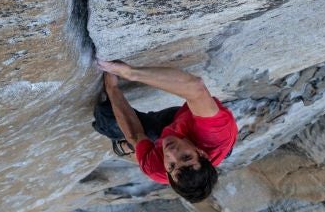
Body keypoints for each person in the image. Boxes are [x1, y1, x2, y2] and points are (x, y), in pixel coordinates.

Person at [92, 60, 237, 203]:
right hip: (185, 122)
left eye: (172, 166)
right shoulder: (214, 134)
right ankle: (133, 147)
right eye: (186, 157)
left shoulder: (157, 169)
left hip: (176, 133)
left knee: (107, 119)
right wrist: (131, 73)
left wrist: (112, 88)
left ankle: (129, 148)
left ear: (167, 175)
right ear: (201, 153)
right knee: (159, 134)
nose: (171, 152)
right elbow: (196, 88)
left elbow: (135, 135)